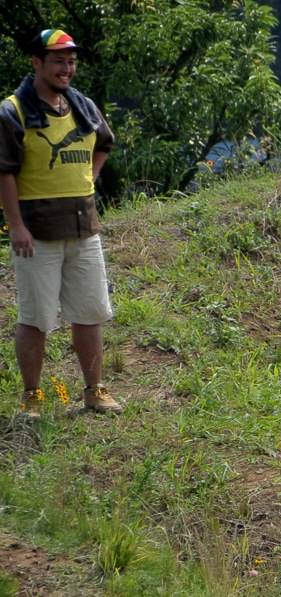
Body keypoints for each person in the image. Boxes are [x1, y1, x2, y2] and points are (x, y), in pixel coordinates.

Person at [0, 28, 122, 419]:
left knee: (90, 312)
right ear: (36, 62)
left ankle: (94, 390)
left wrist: (88, 178)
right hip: (37, 234)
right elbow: (3, 172)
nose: (66, 68)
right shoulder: (12, 111)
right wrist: (15, 226)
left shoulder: (82, 105)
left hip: (84, 229)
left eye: (71, 61)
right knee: (36, 318)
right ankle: (32, 397)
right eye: (58, 60)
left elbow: (104, 143)